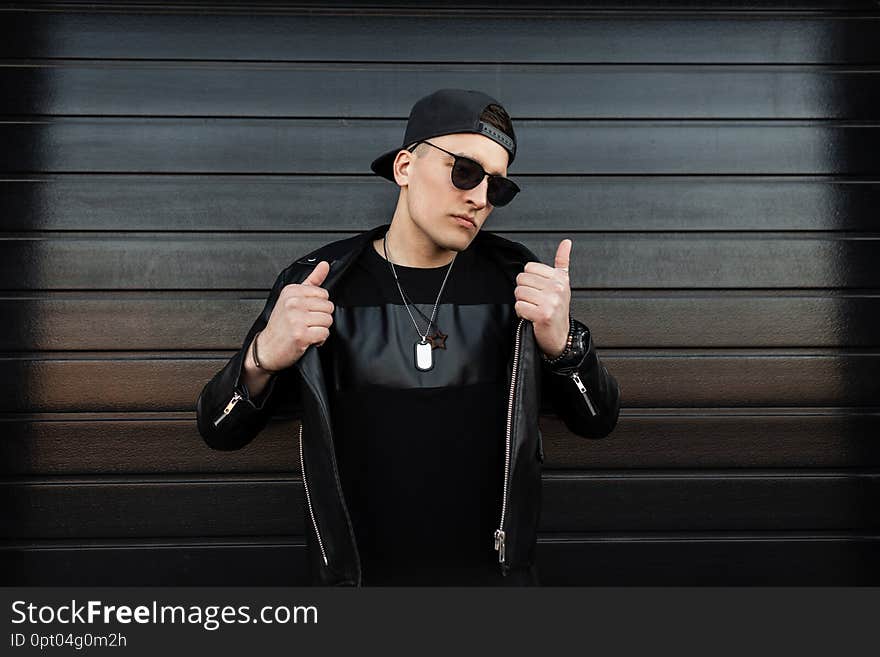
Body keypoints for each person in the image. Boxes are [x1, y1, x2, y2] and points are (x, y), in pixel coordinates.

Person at [196, 88, 621, 586]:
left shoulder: (518, 282)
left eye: (498, 187)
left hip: (494, 584)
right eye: (465, 171)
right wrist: (263, 357)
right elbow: (219, 431)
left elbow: (598, 421)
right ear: (404, 167)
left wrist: (564, 343)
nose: (481, 198)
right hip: (359, 585)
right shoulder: (322, 281)